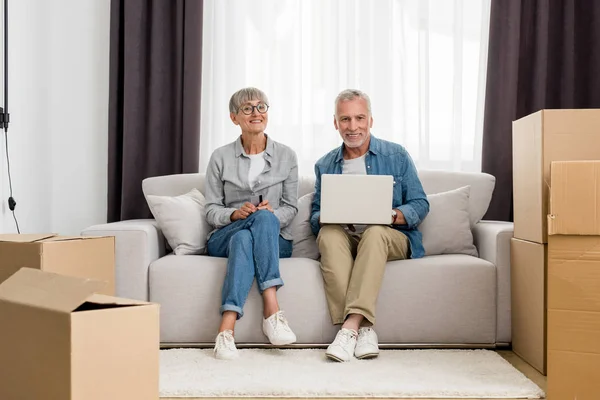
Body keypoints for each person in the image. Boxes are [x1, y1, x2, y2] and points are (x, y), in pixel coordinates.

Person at [310, 89, 430, 362]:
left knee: (375, 232)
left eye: (359, 118)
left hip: (390, 236)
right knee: (328, 234)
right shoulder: (325, 164)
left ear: (371, 120)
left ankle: (348, 327)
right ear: (335, 123)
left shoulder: (396, 155)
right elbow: (315, 214)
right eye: (345, 119)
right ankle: (364, 331)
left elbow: (420, 204)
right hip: (348, 236)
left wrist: (390, 215)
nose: (353, 127)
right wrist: (326, 215)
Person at [204, 87, 299, 360]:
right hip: (225, 234)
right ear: (234, 118)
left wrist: (269, 215)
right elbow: (210, 210)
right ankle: (273, 311)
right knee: (244, 231)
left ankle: (226, 330)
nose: (255, 113)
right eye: (247, 108)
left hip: (274, 238)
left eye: (261, 107)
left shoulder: (287, 156)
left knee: (251, 233)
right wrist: (234, 215)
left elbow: (291, 208)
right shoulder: (220, 157)